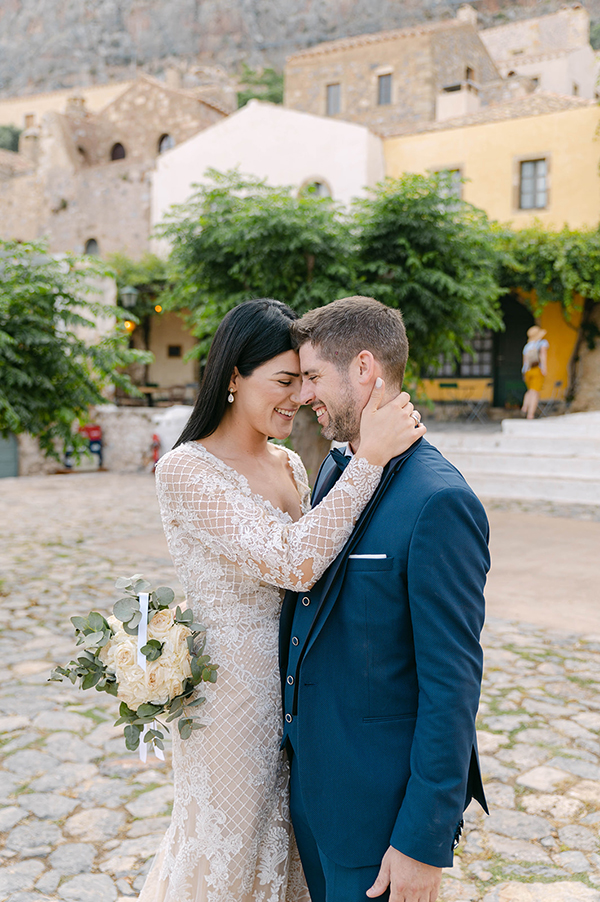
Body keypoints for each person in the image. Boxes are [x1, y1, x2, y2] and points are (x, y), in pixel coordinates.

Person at [141, 298, 426, 902]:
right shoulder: (185, 471)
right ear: (235, 376)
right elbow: (293, 561)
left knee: (291, 854)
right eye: (284, 380)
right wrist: (369, 458)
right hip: (231, 707)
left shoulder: (292, 464)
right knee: (232, 851)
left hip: (301, 695)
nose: (298, 396)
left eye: (305, 380)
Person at [279, 296, 490, 902]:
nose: (303, 395)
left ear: (365, 368)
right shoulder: (336, 469)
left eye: (315, 376)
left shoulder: (439, 502)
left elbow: (452, 684)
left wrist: (423, 842)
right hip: (318, 801)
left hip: (382, 824)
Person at [521, 325, 549, 419]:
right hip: (537, 369)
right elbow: (543, 355)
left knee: (530, 391)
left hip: (528, 371)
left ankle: (525, 407)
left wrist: (524, 373)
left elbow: (525, 362)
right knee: (535, 392)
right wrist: (544, 368)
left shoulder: (527, 347)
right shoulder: (542, 343)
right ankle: (530, 414)